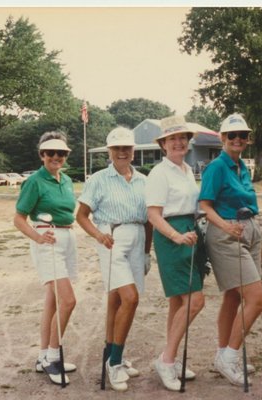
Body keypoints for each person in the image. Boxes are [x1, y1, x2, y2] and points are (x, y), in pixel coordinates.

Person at [76, 127, 152, 392]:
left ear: (133, 151)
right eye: (117, 148)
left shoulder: (143, 180)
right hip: (112, 238)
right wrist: (98, 235)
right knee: (130, 298)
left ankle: (112, 354)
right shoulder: (99, 179)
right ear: (109, 151)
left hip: (138, 237)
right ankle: (115, 363)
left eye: (127, 148)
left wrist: (146, 252)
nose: (122, 152)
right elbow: (82, 215)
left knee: (117, 299)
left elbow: (149, 219)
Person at [198, 113, 262, 387]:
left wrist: (255, 238)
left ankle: (222, 353)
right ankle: (230, 357)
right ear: (222, 138)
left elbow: (249, 204)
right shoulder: (217, 167)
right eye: (232, 135)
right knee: (257, 299)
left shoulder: (242, 166)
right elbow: (205, 205)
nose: (238, 139)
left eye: (243, 135)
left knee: (233, 298)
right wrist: (227, 228)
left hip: (249, 231)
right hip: (226, 236)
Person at [13, 131, 78, 386]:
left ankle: (43, 356)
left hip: (67, 239)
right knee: (69, 300)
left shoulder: (67, 180)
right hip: (47, 241)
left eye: (61, 153)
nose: (56, 157)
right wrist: (37, 237)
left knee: (53, 300)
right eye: (50, 153)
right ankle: (53, 356)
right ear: (42, 155)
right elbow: (19, 218)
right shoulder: (35, 181)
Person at [146, 115, 206, 391]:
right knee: (195, 301)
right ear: (163, 144)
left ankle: (169, 356)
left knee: (177, 303)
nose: (179, 142)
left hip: (190, 232)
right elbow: (154, 215)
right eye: (173, 138)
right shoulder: (160, 173)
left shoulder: (185, 169)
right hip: (173, 237)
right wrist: (176, 236)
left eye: (183, 137)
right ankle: (167, 360)